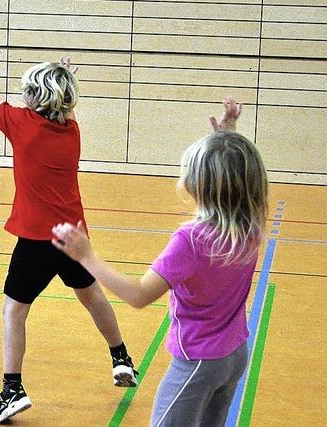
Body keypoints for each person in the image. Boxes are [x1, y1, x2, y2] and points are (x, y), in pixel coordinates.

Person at [52, 98, 268, 426]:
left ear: (202, 183)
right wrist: (227, 138)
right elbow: (238, 177)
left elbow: (139, 295)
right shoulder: (250, 222)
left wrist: (87, 256)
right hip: (235, 355)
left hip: (197, 361)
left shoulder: (192, 240)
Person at [0, 41, 138, 424]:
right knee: (92, 297)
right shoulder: (71, 131)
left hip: (35, 238)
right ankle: (120, 358)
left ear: (33, 98)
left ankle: (12, 388)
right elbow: (63, 105)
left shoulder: (21, 124)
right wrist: (64, 81)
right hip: (73, 238)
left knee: (14, 310)